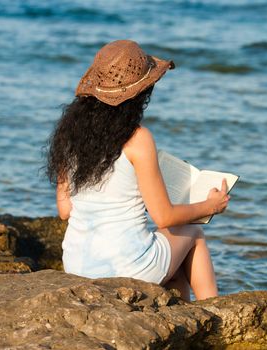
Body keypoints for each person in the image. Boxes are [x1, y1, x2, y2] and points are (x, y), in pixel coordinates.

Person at [45, 40, 230, 301]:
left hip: (78, 266)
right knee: (193, 234)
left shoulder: (69, 135)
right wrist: (211, 205)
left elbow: (65, 211)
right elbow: (164, 217)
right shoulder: (137, 139)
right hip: (127, 267)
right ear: (140, 94)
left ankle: (178, 319)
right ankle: (212, 312)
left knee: (174, 266)